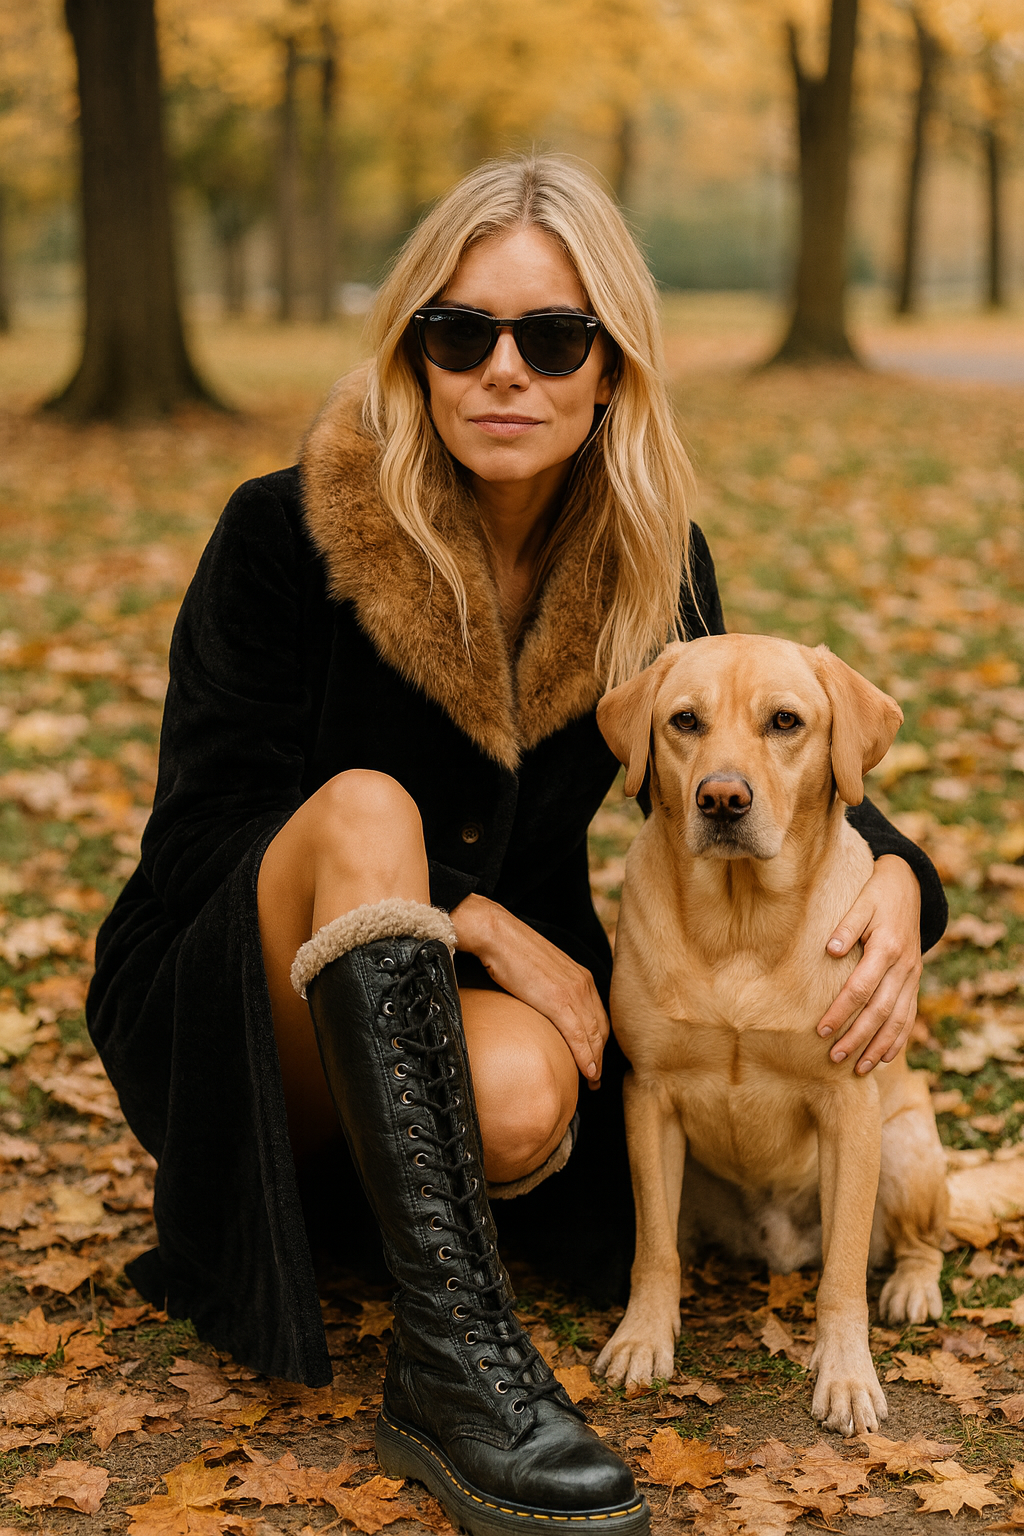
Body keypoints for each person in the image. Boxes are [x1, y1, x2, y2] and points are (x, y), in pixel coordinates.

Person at [87, 155, 946, 1535]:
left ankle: (365, 1234)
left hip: (474, 1015)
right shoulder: (282, 533)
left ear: (610, 368)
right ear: (414, 352)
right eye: (459, 332)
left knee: (525, 1103)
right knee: (370, 803)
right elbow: (196, 846)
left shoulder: (651, 561)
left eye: (553, 338)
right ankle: (456, 1365)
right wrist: (473, 920)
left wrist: (904, 879)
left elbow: (748, 740)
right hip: (231, 996)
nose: (505, 370)